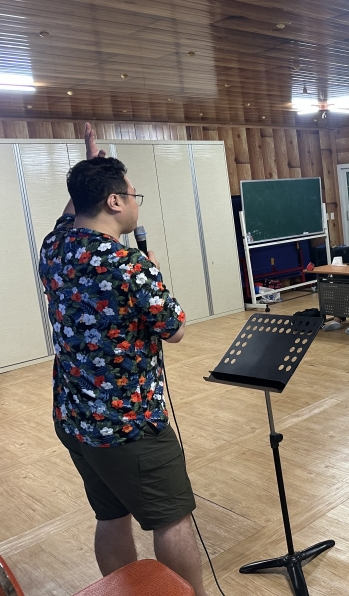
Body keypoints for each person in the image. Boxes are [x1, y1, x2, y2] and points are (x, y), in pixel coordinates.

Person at [38, 124, 209, 596]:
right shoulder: (129, 265)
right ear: (115, 202)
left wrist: (90, 168)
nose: (136, 203)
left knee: (111, 514)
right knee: (171, 518)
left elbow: (73, 213)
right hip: (129, 424)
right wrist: (154, 277)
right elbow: (174, 330)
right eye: (133, 195)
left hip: (74, 417)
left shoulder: (55, 246)